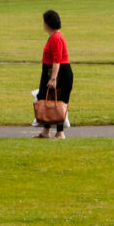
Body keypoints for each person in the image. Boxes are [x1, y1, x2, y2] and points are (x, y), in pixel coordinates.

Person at [36, 9, 72, 138]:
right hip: (51, 72)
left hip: (58, 73)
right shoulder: (54, 36)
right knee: (48, 100)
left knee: (57, 101)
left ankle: (60, 132)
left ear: (48, 23)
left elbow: (57, 60)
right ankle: (46, 131)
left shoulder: (56, 37)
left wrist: (53, 78)